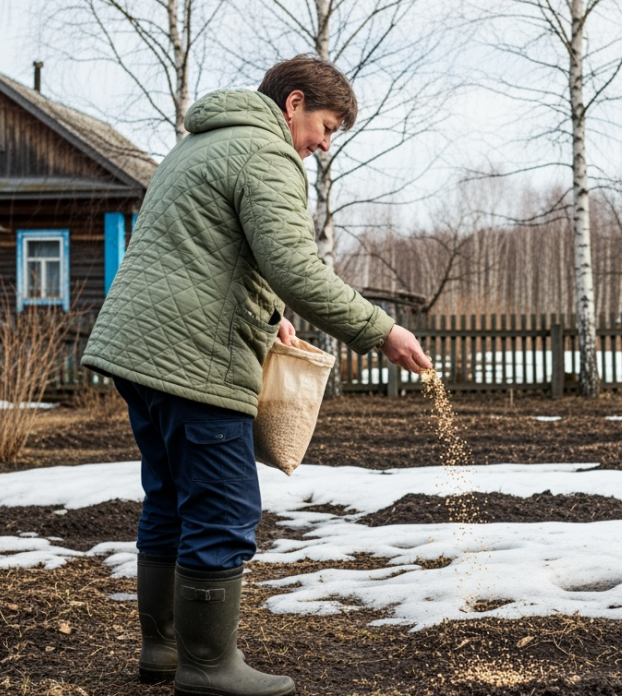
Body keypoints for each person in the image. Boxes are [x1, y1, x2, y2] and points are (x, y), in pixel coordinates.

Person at [82, 54, 431, 696]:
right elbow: (295, 266)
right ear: (294, 104)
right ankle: (208, 666)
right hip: (194, 358)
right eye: (326, 127)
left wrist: (267, 318)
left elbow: (203, 252)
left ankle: (163, 650)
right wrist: (382, 331)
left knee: (169, 499)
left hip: (137, 349)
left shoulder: (197, 145)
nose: (324, 145)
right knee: (223, 506)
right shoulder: (266, 153)